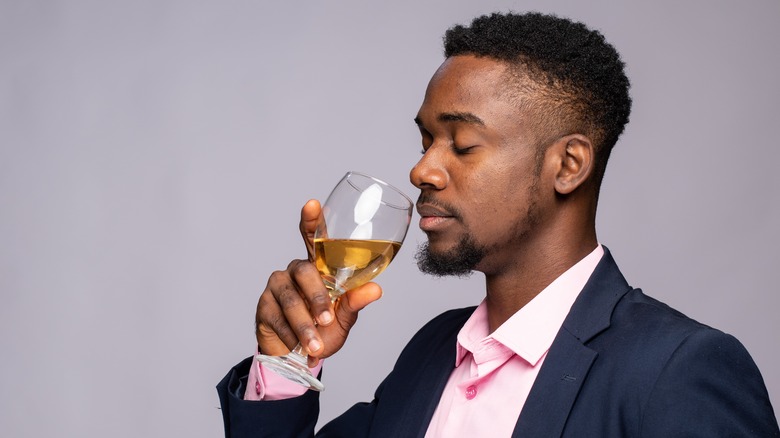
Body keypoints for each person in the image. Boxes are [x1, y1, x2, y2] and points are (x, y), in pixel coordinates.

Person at [217, 11, 779, 437]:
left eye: (462, 144)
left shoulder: (678, 370)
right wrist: (289, 359)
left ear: (568, 165)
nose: (421, 169)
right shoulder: (431, 351)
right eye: (425, 140)